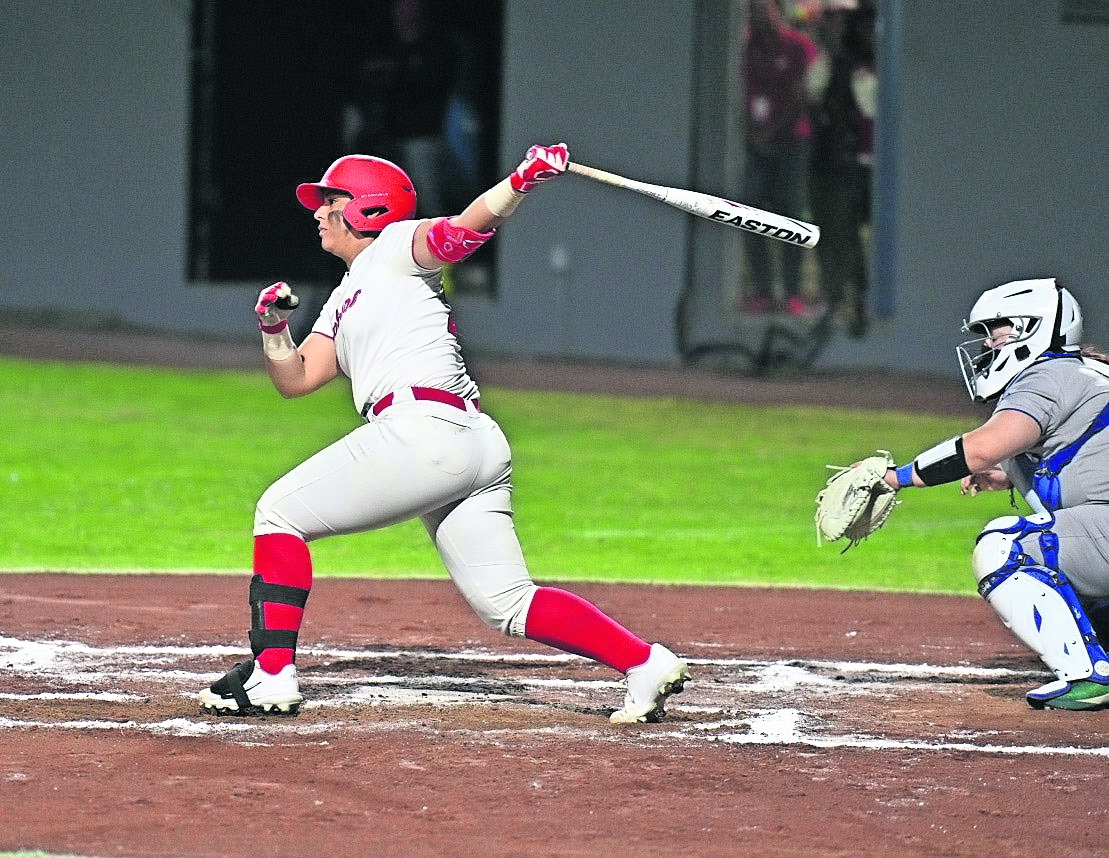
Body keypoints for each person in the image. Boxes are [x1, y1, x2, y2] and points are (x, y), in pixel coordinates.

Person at [197, 143, 691, 724]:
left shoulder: (396, 247)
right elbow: (298, 378)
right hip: (467, 441)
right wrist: (273, 327)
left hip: (425, 432)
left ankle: (270, 675)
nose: (318, 211)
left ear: (369, 209)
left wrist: (520, 180)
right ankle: (644, 662)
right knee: (507, 603)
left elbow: (462, 232)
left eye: (331, 200)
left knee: (278, 513)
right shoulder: (345, 297)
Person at [873, 278, 1109, 711]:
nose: (988, 345)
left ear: (1032, 329)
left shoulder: (1046, 375)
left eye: (997, 333)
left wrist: (894, 477)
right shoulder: (1082, 372)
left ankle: (1088, 676)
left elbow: (980, 447)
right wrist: (1006, 474)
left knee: (1005, 546)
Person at [739, 0, 819, 318]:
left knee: (790, 216)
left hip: (791, 142)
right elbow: (739, 92)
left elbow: (803, 94)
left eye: (763, 9)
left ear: (776, 10)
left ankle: (792, 293)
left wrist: (772, 132)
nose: (757, 16)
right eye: (752, 10)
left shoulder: (798, 46)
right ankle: (761, 292)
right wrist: (755, 135)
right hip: (756, 145)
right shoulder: (747, 48)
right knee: (751, 214)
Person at [806, 0, 876, 337]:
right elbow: (812, 95)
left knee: (848, 236)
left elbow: (868, 108)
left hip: (853, 165)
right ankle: (833, 298)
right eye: (829, 20)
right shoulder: (824, 62)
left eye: (840, 20)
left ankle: (856, 301)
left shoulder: (864, 65)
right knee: (826, 233)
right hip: (825, 162)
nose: (835, 27)